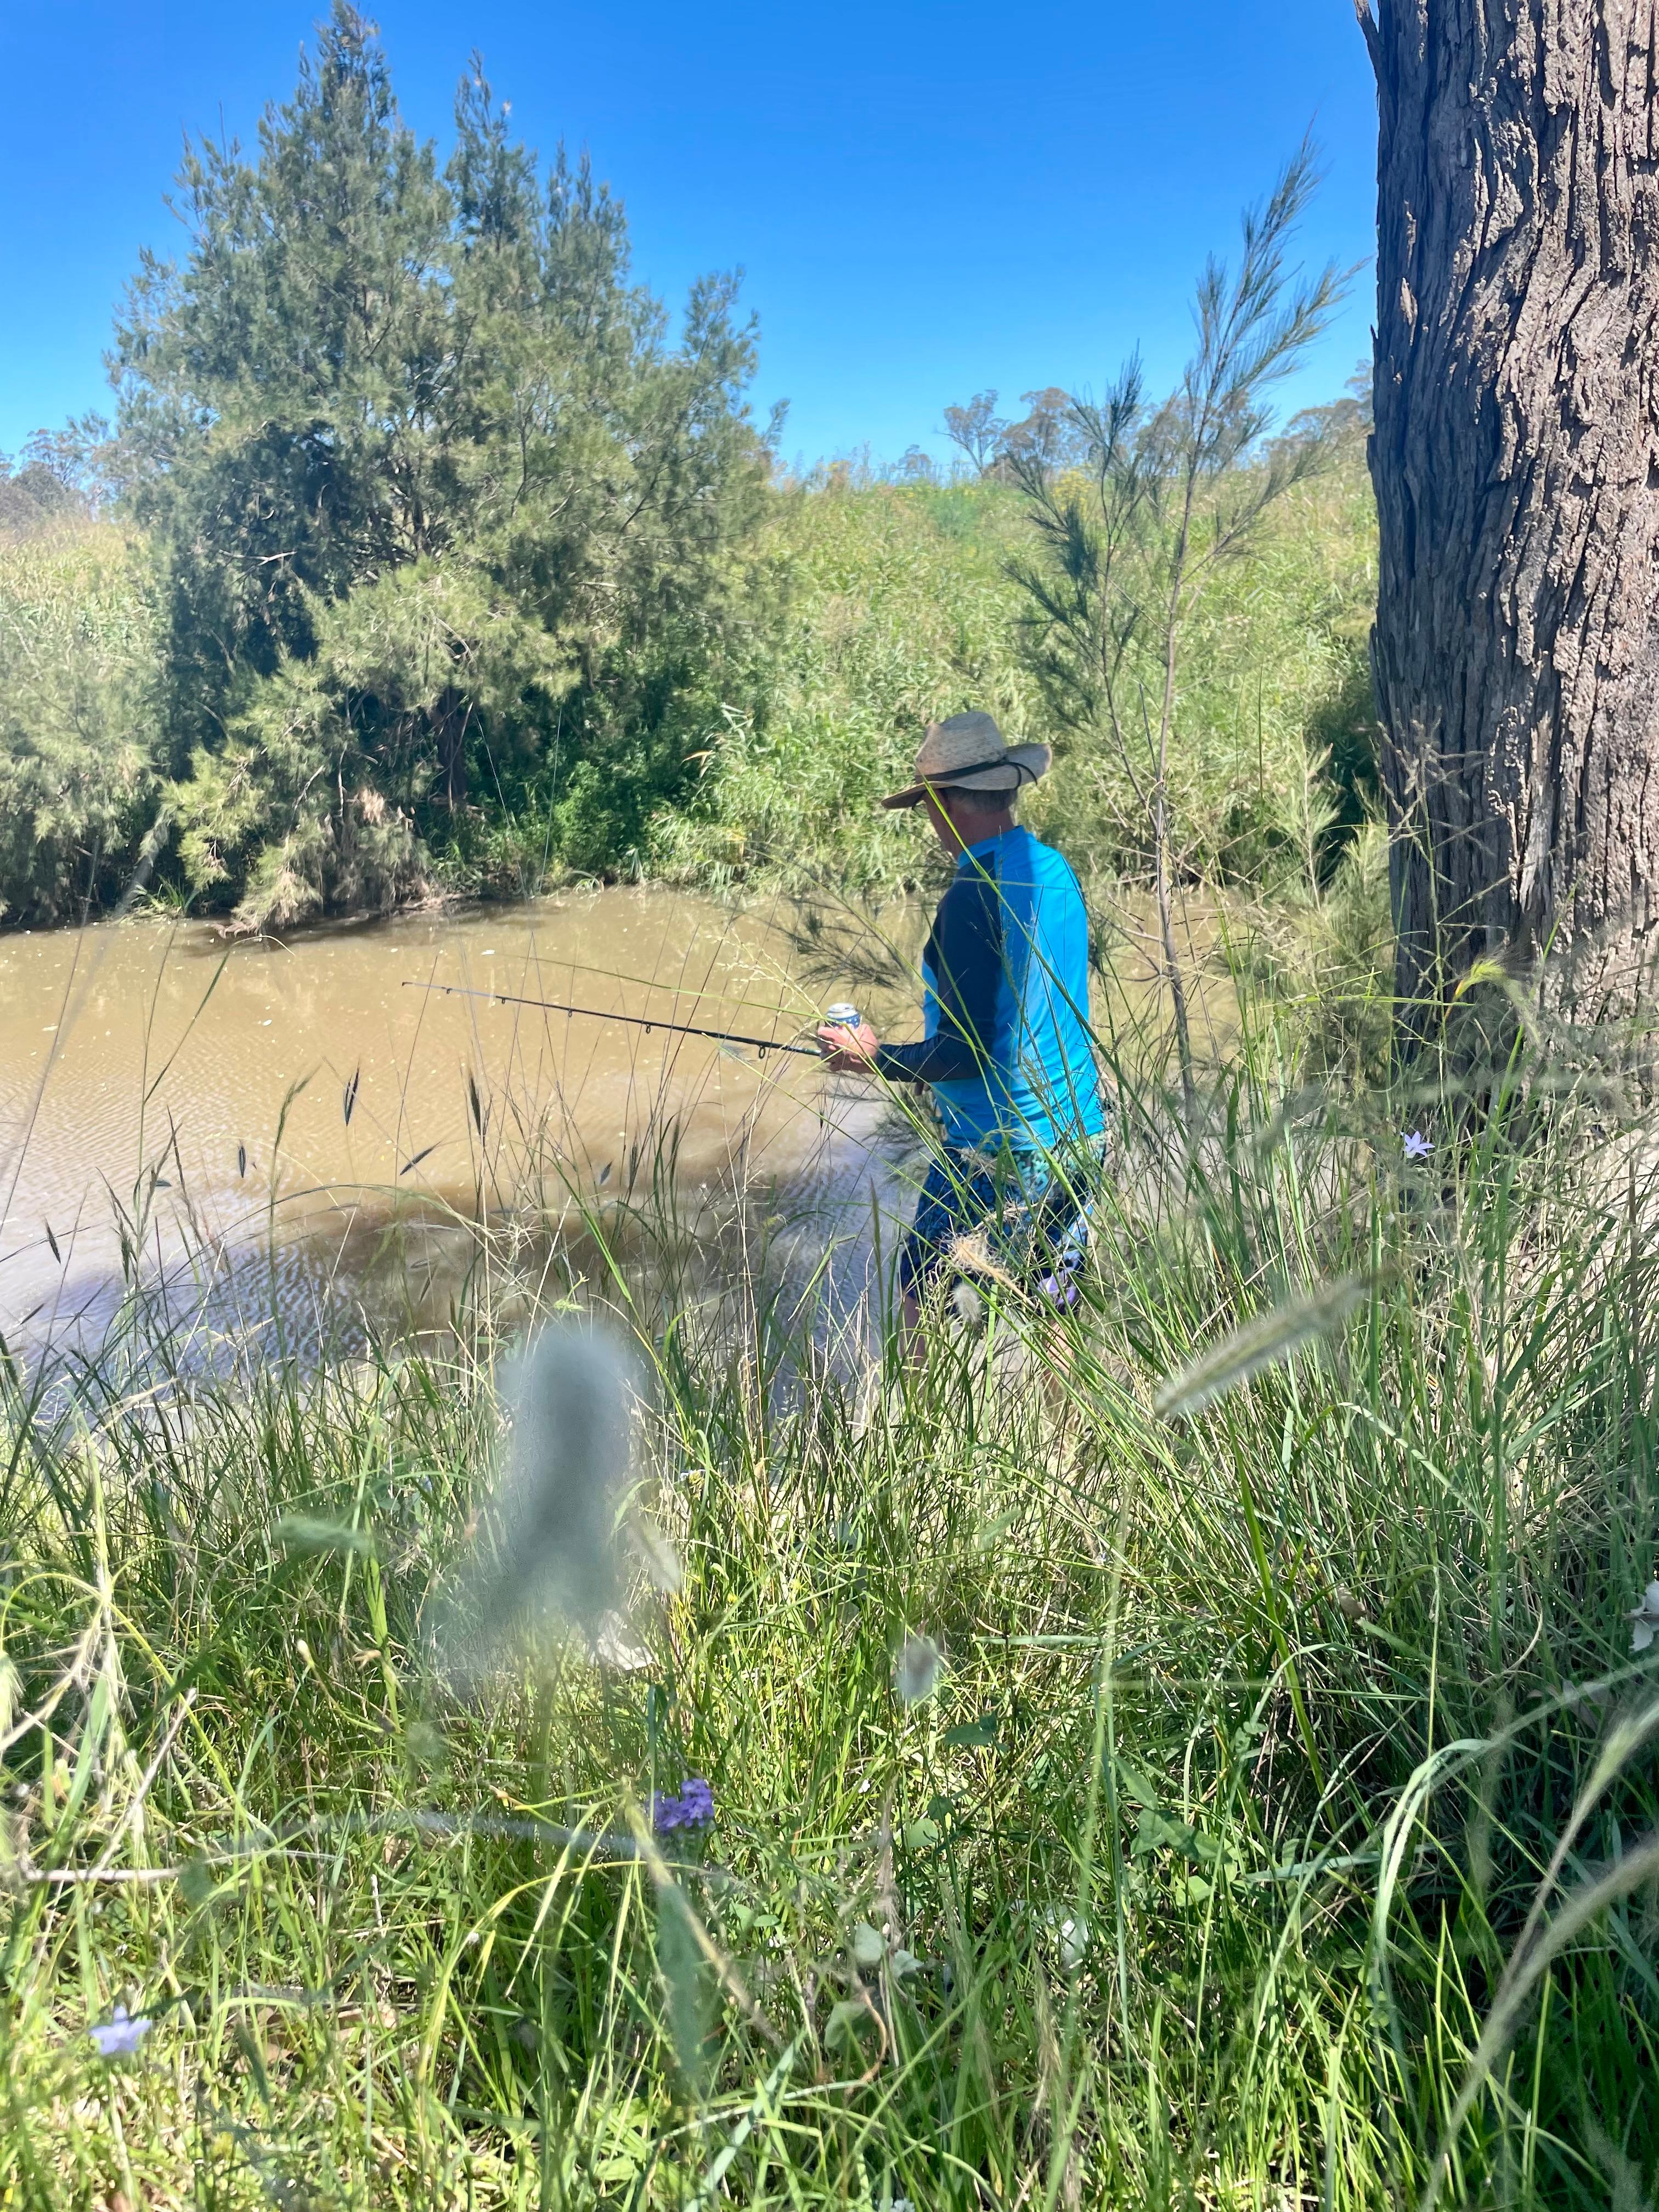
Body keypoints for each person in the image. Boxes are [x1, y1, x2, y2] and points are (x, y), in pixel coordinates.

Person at [817, 711, 1106, 1339]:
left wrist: (873, 1057)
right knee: (1051, 1300)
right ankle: (1072, 1435)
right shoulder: (1054, 869)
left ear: (945, 805)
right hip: (1078, 1131)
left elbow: (967, 1052)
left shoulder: (974, 892)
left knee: (921, 1281)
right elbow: (1026, 1010)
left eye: (927, 805)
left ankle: (922, 1436)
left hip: (1001, 1146)